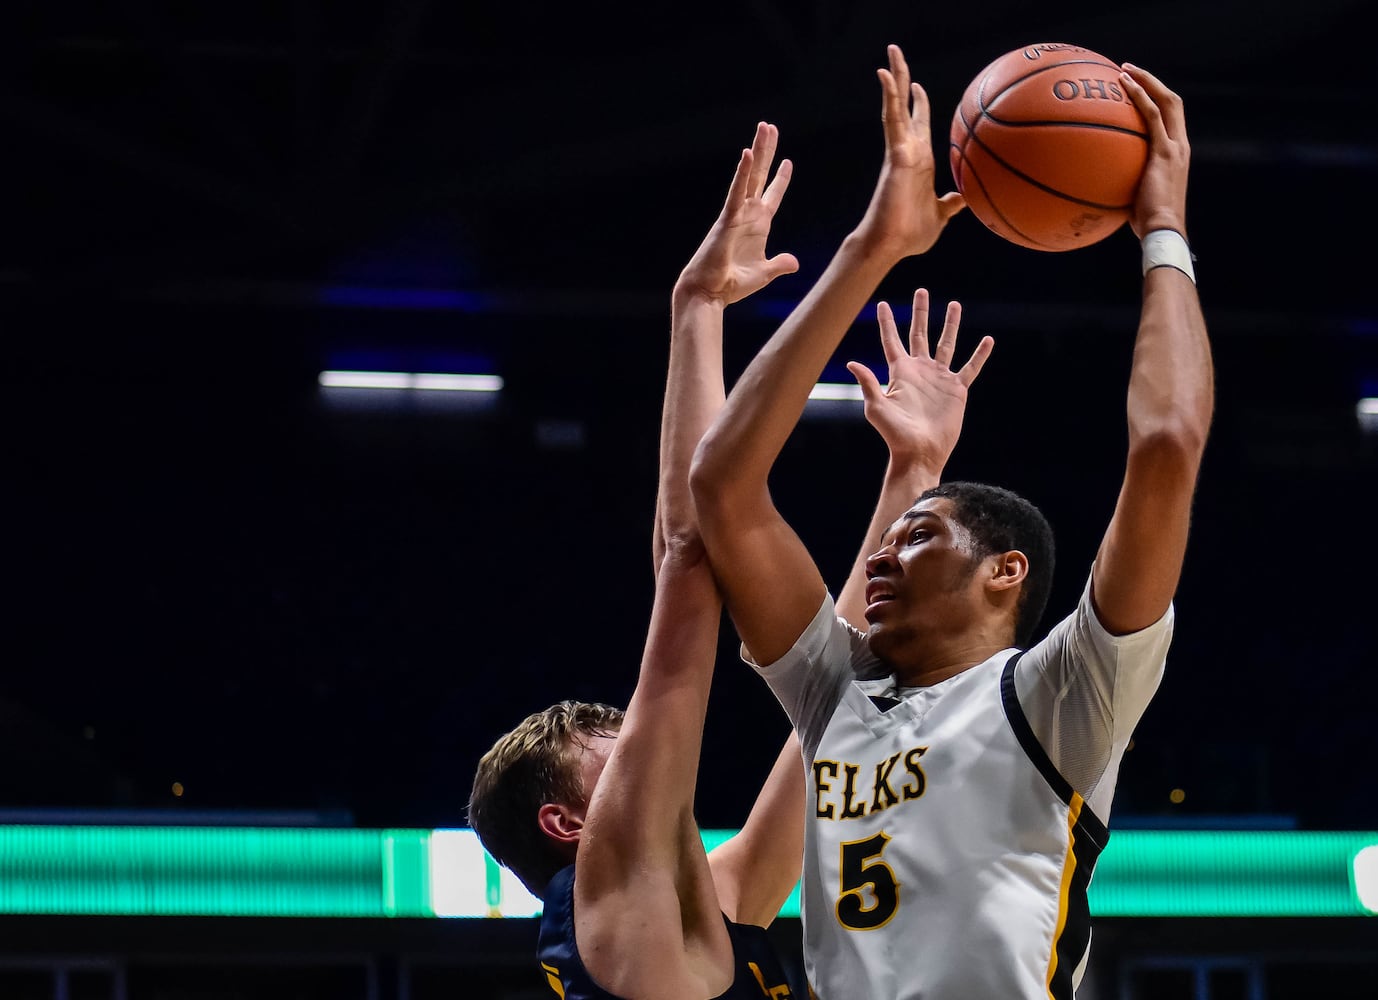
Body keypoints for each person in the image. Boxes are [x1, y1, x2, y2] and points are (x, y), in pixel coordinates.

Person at [689, 43, 1212, 1000]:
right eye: (889, 536)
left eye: (917, 535)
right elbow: (720, 486)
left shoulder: (1063, 694)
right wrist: (871, 248)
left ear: (1004, 572)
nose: (878, 553)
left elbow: (1168, 445)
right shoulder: (835, 693)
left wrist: (1163, 228)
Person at [467, 115, 994, 999]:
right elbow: (690, 556)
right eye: (611, 743)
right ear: (568, 823)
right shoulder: (616, 897)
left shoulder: (715, 902)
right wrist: (703, 307)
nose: (639, 736)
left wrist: (915, 475)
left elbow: (843, 717)